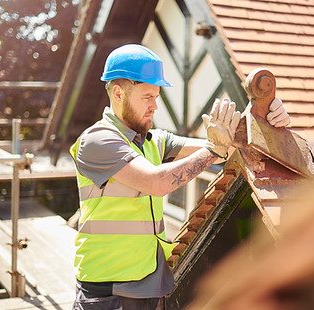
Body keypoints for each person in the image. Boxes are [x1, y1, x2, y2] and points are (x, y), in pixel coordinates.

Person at [70, 44, 290, 310]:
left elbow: (229, 144)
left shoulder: (154, 140)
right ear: (118, 93)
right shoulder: (97, 140)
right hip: (107, 291)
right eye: (147, 97)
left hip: (150, 284)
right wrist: (213, 150)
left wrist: (265, 121)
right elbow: (157, 182)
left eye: (157, 96)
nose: (155, 105)